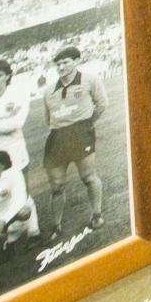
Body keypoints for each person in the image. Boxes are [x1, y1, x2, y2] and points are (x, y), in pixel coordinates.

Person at [41, 44, 110, 234]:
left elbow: (102, 104)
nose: (61, 67)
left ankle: (96, 215)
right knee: (56, 186)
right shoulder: (48, 91)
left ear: (76, 61)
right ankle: (56, 226)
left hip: (81, 133)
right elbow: (48, 118)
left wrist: (88, 123)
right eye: (58, 64)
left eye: (65, 62)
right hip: (57, 137)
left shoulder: (89, 79)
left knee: (88, 177)